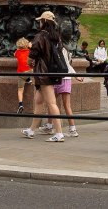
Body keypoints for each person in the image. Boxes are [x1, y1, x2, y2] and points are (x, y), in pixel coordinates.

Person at [21, 12, 66, 142]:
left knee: (51, 102)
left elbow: (33, 53)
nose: (39, 22)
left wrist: (30, 62)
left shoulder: (41, 36)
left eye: (40, 21)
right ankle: (31, 130)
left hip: (43, 72)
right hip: (52, 71)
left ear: (44, 22)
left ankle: (59, 133)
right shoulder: (56, 37)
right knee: (38, 101)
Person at [14, 37, 33, 113]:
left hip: (21, 74)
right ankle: (29, 79)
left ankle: (21, 104)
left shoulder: (17, 52)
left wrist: (18, 49)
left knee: (20, 90)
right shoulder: (29, 51)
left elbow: (14, 54)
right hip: (30, 71)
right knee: (31, 71)